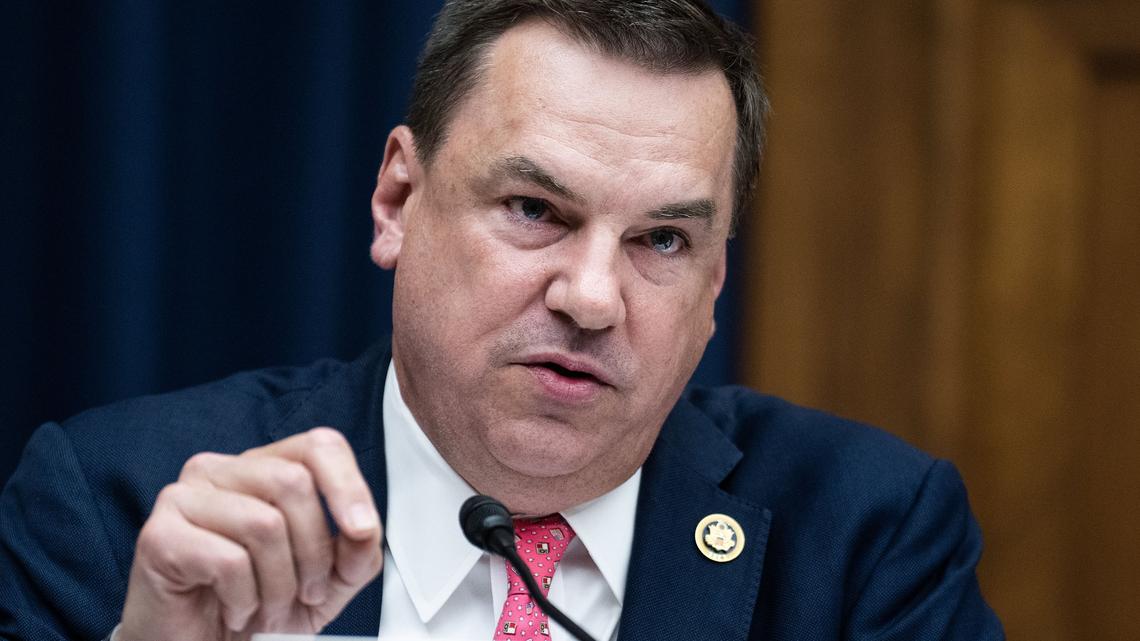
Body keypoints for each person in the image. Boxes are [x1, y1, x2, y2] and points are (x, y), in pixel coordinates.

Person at [0, 1, 1004, 640]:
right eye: (535, 209)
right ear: (397, 200)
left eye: (661, 240)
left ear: (715, 283)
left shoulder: (867, 540)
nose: (592, 298)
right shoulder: (121, 508)